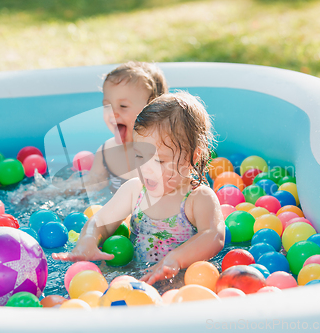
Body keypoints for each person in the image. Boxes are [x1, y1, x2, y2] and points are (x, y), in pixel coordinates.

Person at [53, 92, 225, 285]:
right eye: (140, 156)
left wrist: (176, 259)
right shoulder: (135, 190)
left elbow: (214, 235)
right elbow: (101, 221)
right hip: (132, 279)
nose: (147, 168)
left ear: (193, 158)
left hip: (179, 285)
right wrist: (88, 240)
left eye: (159, 160)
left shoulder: (197, 198)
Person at [24, 61, 168, 198]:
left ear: (153, 109)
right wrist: (47, 193)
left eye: (123, 106)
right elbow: (91, 182)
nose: (112, 113)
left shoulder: (163, 151)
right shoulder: (107, 151)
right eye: (107, 105)